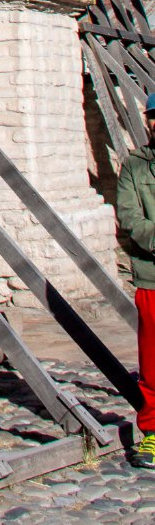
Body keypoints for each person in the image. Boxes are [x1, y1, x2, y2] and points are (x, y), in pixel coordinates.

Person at [115, 92, 155, 470]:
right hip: (152, 277)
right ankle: (153, 433)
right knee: (153, 362)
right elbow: (130, 217)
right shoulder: (136, 167)